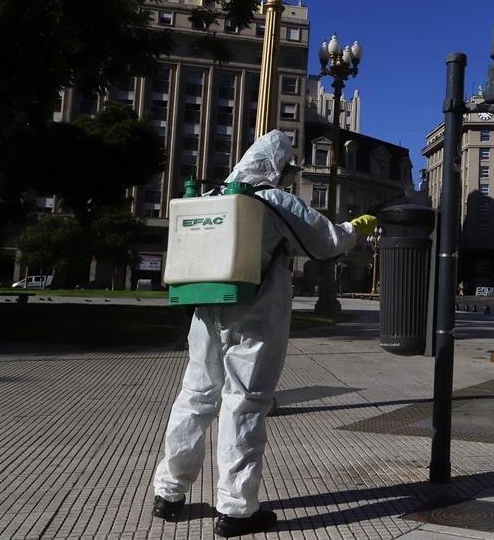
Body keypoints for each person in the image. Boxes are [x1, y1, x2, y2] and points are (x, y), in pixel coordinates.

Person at [150, 131, 377, 538]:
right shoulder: (273, 200)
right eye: (288, 170)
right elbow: (326, 243)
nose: (289, 177)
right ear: (277, 168)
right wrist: (357, 227)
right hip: (254, 315)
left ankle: (169, 494)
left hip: (205, 310)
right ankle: (236, 510)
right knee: (244, 403)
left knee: (195, 398)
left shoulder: (211, 196)